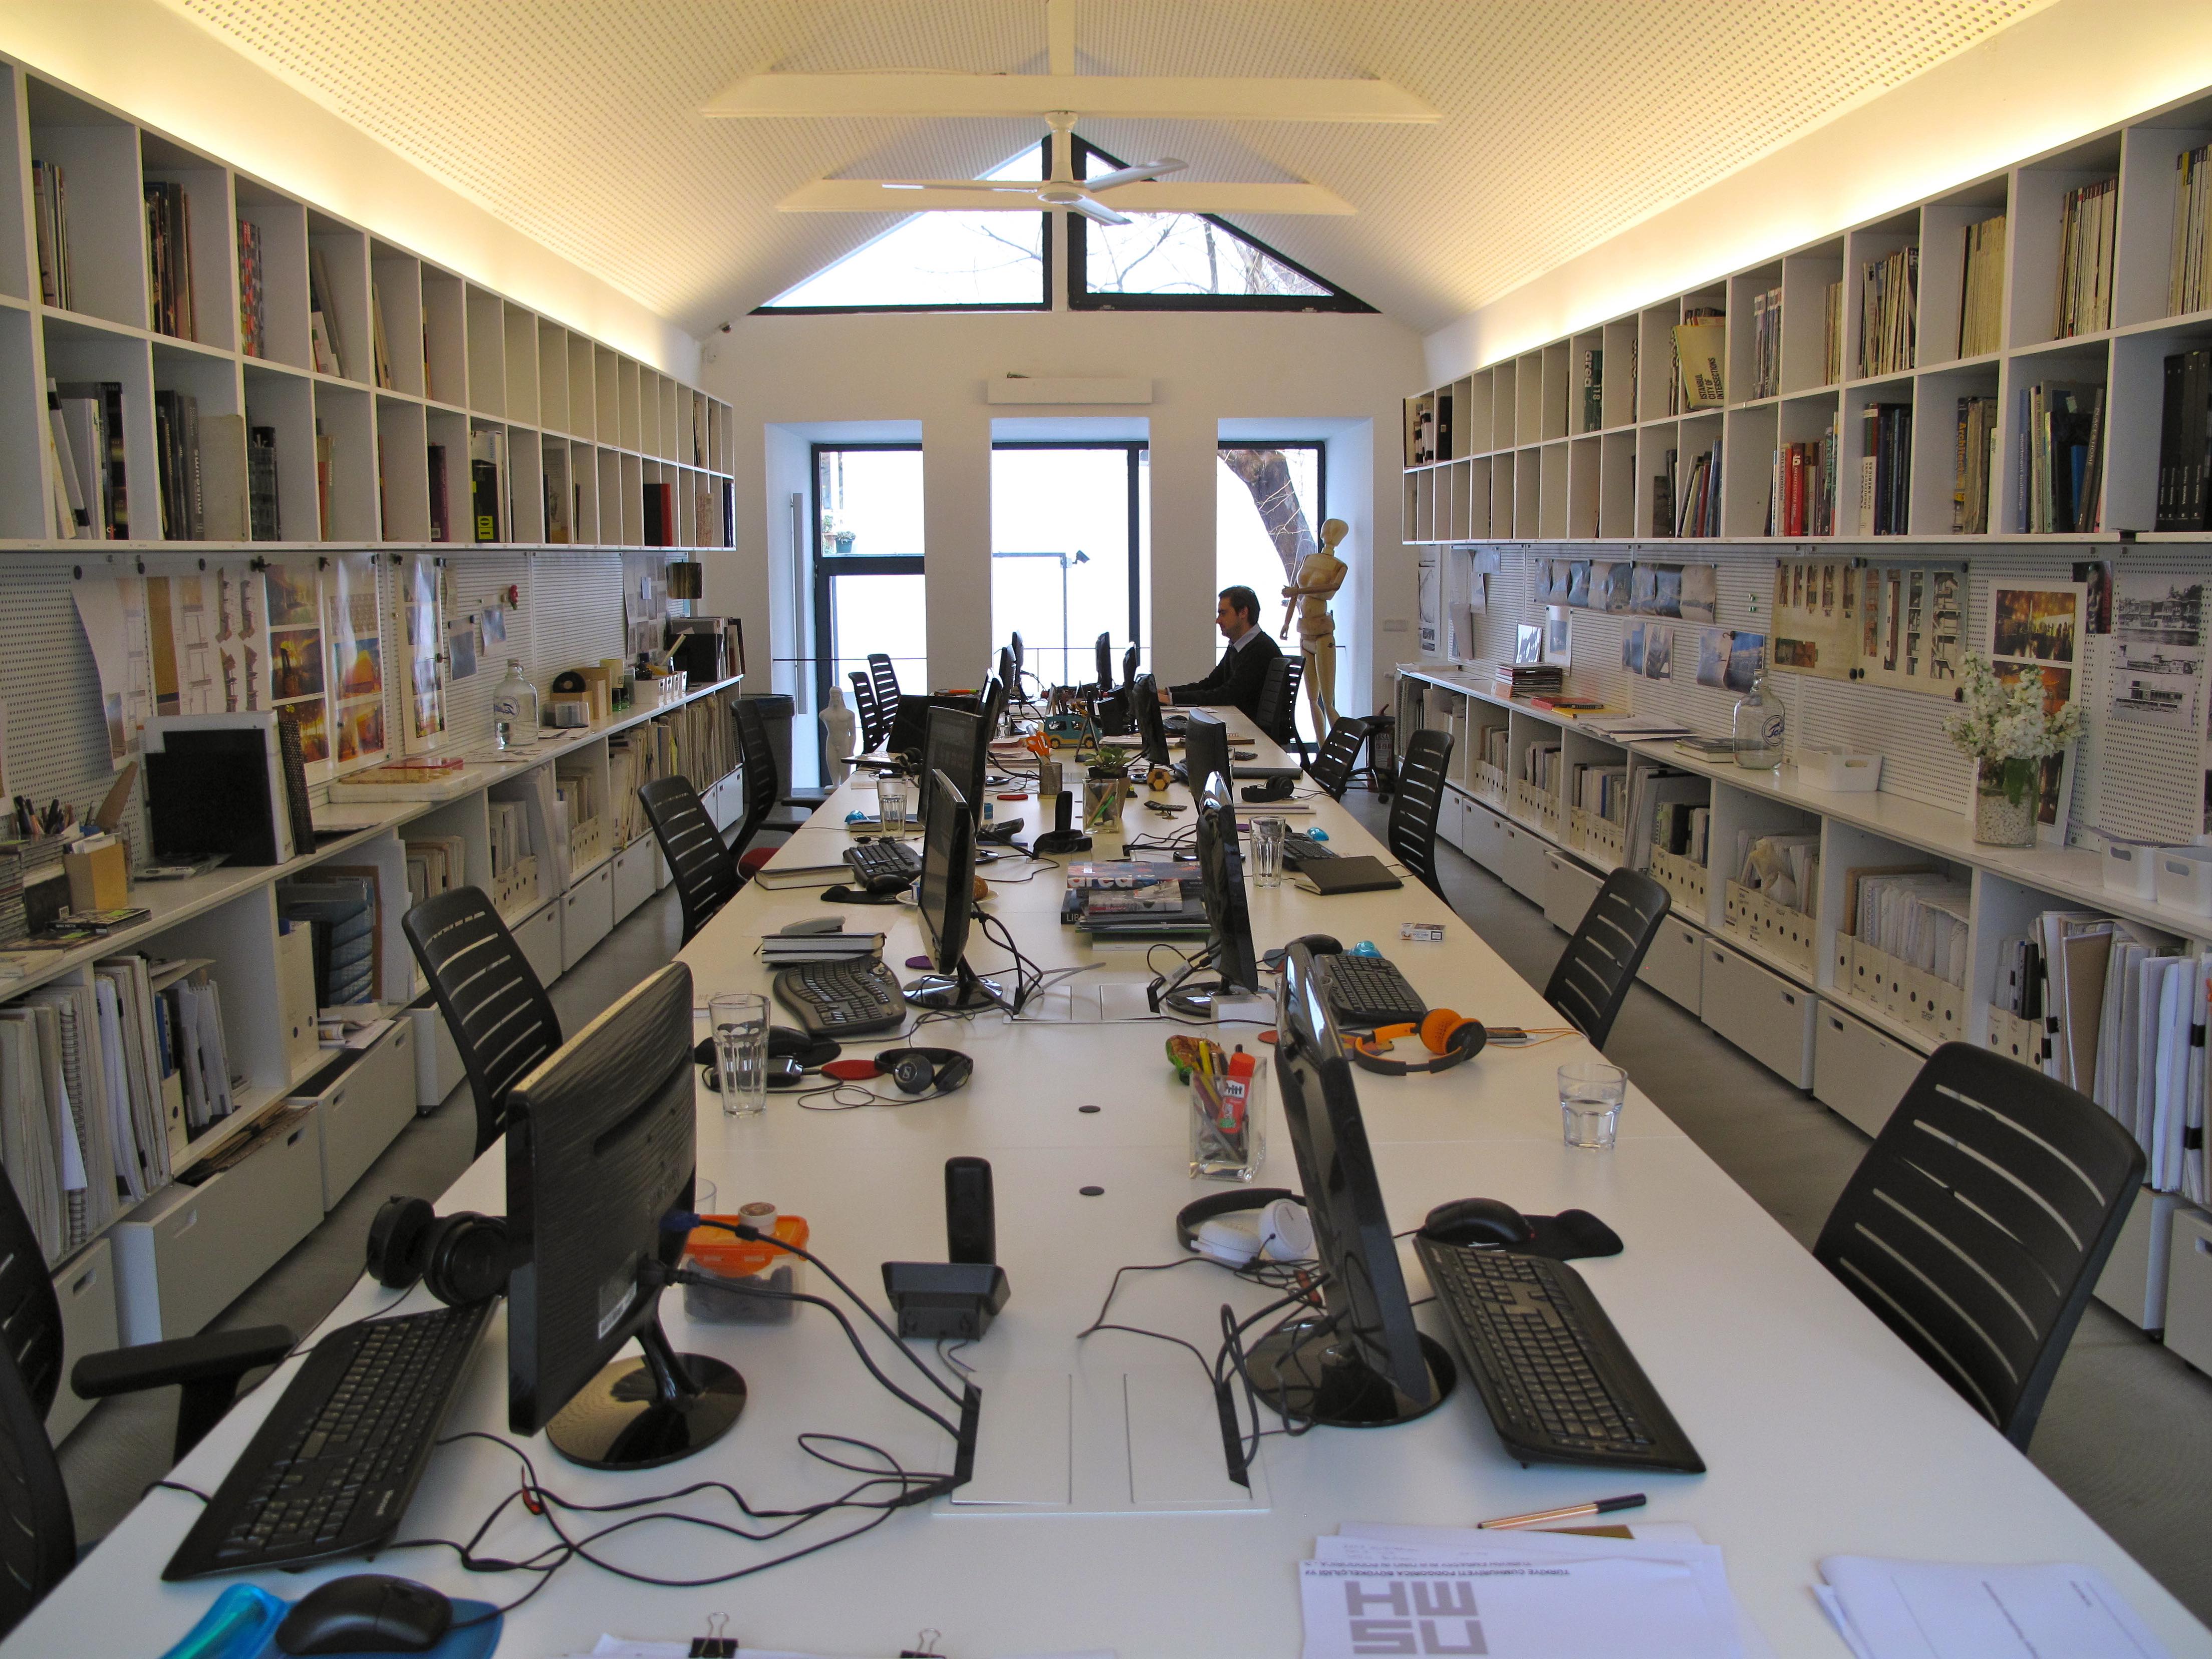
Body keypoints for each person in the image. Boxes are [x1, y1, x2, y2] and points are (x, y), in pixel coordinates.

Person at [1161, 587, 1281, 722]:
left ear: (1243, 612)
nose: (1218, 620)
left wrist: (1170, 699)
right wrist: (1167, 693)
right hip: (1243, 724)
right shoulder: (1238, 646)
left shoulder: (1260, 649)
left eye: (1223, 613)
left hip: (1256, 731)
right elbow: (1211, 684)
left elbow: (1228, 695)